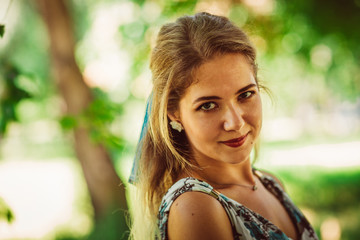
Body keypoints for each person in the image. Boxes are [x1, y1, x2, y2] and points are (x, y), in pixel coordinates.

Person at [129, 12, 318, 240]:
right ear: (174, 113)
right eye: (208, 105)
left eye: (246, 94)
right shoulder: (196, 207)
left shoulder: (270, 183)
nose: (235, 122)